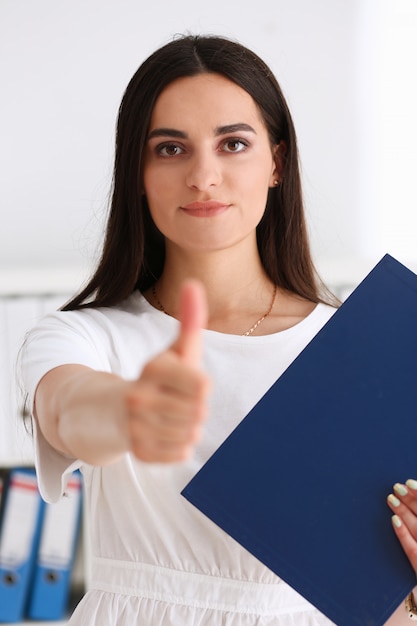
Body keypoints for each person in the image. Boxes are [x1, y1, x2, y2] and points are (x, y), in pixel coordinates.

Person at [20, 34, 417, 625]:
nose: (204, 177)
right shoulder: (86, 337)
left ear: (277, 162)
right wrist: (131, 410)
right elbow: (68, 411)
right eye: (171, 149)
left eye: (233, 143)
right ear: (137, 171)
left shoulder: (367, 350)